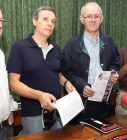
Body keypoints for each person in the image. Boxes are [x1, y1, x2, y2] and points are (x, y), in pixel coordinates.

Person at [7, 6, 75, 135]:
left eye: (53, 21)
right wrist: (39, 96)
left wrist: (66, 83)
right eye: (45, 19)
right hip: (33, 115)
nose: (50, 23)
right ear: (34, 21)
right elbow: (13, 83)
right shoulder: (20, 47)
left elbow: (57, 74)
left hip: (55, 111)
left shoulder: (55, 48)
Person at [62, 2, 120, 124]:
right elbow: (66, 72)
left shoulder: (108, 41)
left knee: (103, 134)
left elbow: (116, 62)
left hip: (104, 101)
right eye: (88, 16)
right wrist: (81, 85)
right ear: (82, 19)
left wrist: (113, 73)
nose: (93, 20)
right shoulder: (72, 44)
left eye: (96, 16)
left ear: (101, 18)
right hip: (81, 102)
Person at [0, 9, 18, 139]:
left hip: (6, 125)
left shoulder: (0, 54)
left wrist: (9, 109)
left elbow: (3, 87)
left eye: (1, 20)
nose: (0, 25)